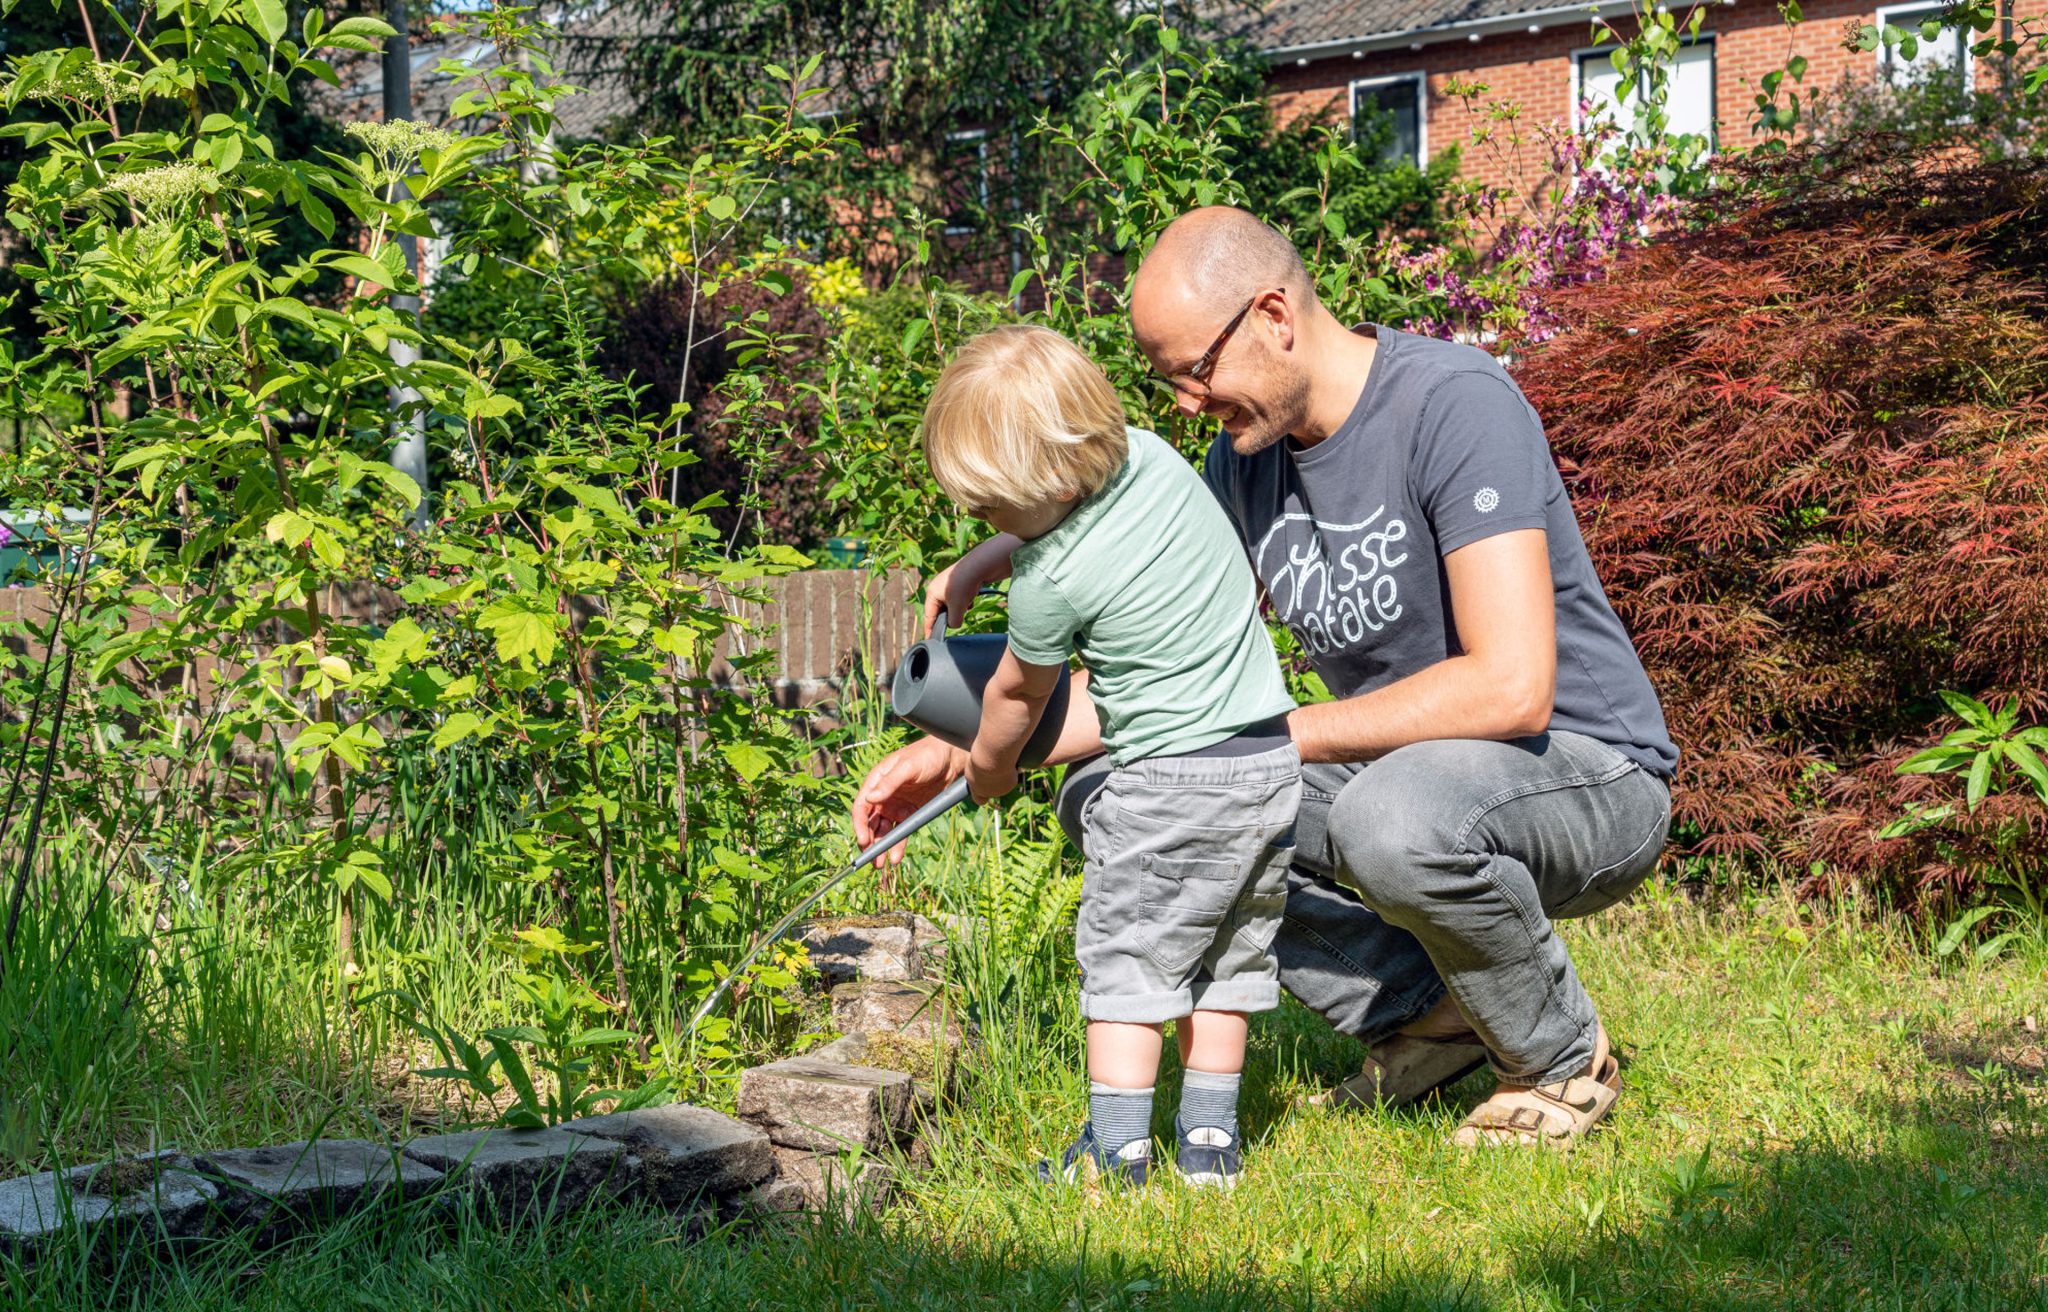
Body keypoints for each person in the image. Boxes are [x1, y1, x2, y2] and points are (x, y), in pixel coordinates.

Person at [858, 206, 1677, 1149]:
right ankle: (1428, 1013)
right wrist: (959, 751)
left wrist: (1272, 738)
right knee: (1123, 799)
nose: (1184, 403)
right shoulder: (1242, 466)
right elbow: (1157, 697)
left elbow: (1510, 688)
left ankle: (1558, 1059)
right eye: (1166, 381)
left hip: (1585, 769)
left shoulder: (1454, 403)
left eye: (1193, 371)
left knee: (1385, 818)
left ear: (1275, 316)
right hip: (1404, 771)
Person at [919, 324, 1301, 1188]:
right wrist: (984, 558)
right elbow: (1068, 517)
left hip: (1166, 783)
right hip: (1270, 763)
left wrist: (988, 767)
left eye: (989, 509)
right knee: (1227, 962)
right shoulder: (1155, 459)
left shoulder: (1050, 583)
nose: (984, 521)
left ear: (1050, 483)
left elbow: (1019, 697)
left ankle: (1116, 1154)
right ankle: (1210, 1147)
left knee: (1129, 964)